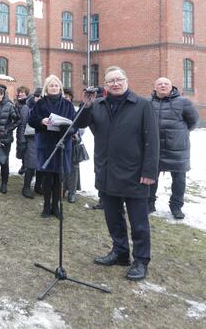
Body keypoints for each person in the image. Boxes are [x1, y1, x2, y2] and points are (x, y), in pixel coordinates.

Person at [76, 66, 159, 281]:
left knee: (139, 222)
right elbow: (79, 124)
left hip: (135, 173)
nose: (115, 83)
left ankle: (141, 260)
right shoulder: (98, 105)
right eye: (110, 80)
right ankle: (120, 252)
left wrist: (150, 171)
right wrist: (86, 104)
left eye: (119, 79)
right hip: (106, 171)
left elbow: (152, 142)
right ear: (105, 85)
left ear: (126, 81)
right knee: (113, 218)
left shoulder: (142, 105)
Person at [150, 77, 199, 219]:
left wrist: (178, 134)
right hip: (155, 147)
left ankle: (176, 207)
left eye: (166, 84)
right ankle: (149, 203)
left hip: (177, 149)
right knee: (151, 177)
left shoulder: (184, 102)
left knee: (179, 180)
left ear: (172, 87)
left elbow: (194, 121)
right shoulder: (148, 103)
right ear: (155, 87)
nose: (163, 86)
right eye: (159, 84)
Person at [28, 75, 76, 219]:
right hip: (46, 144)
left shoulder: (67, 105)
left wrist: (66, 127)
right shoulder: (40, 103)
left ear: (60, 88)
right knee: (47, 178)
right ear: (46, 88)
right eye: (51, 85)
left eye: (56, 85)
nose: (54, 87)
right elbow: (31, 121)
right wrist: (41, 121)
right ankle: (46, 206)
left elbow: (74, 125)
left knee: (59, 178)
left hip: (62, 145)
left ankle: (56, 207)